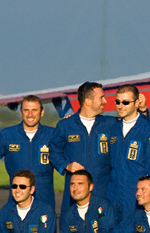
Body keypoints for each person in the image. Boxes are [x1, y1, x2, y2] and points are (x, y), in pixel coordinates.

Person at [0, 95, 55, 209]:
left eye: (34, 110)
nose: (30, 114)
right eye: (26, 110)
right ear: (21, 112)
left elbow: (69, 163)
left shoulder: (53, 135)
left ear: (42, 112)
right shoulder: (7, 135)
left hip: (45, 198)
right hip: (16, 197)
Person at [49, 82, 117, 211]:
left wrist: (142, 110)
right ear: (88, 101)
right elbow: (53, 152)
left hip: (103, 192)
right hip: (75, 194)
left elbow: (136, 129)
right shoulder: (65, 126)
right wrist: (66, 165)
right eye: (101, 98)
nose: (105, 101)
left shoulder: (111, 124)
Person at [109, 84, 150, 219]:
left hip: (135, 198)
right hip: (113, 195)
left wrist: (147, 198)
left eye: (126, 102)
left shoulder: (149, 132)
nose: (120, 106)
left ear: (137, 103)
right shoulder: (113, 129)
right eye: (118, 102)